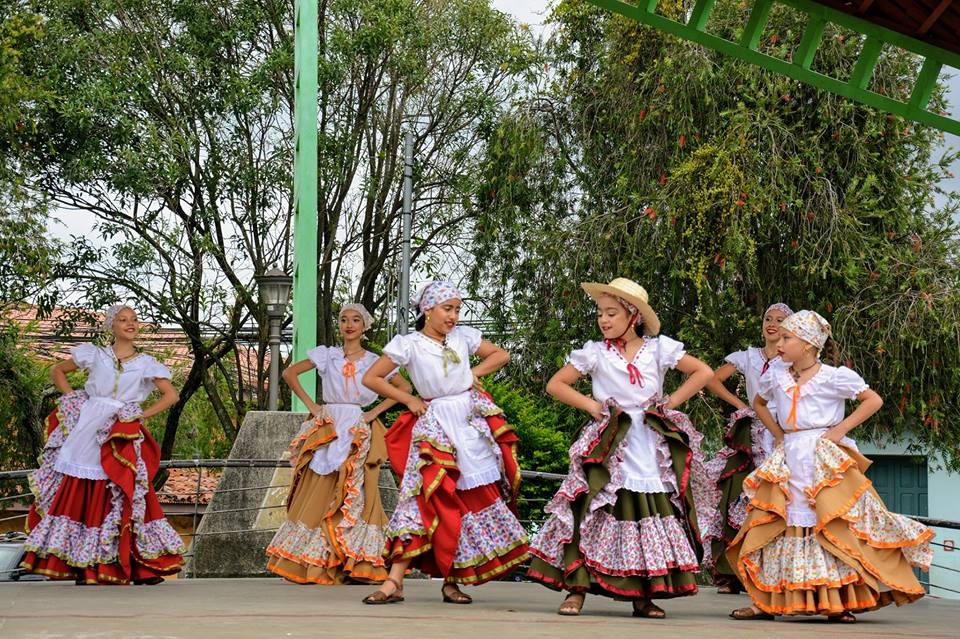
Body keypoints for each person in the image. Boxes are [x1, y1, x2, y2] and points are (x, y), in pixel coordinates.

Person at [527, 278, 717, 618]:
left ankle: (642, 596)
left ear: (634, 316)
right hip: (608, 441)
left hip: (648, 442)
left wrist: (671, 400)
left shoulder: (659, 349)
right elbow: (556, 384)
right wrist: (590, 406)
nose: (603, 320)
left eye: (611, 313)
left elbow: (703, 372)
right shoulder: (595, 352)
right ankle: (576, 590)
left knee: (645, 510)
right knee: (590, 509)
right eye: (600, 313)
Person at [728, 310, 933, 622]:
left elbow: (872, 400)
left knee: (827, 521)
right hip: (788, 456)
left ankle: (836, 601)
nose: (779, 343)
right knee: (778, 521)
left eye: (787, 338)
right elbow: (759, 403)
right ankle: (765, 602)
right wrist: (779, 433)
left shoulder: (833, 377)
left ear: (809, 345)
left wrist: (839, 430)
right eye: (780, 337)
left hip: (822, 457)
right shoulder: (776, 375)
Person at [360, 281, 528, 605]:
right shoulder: (408, 344)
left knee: (464, 500)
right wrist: (407, 399)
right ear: (427, 309)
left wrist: (473, 373)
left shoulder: (463, 337)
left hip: (467, 421)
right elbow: (372, 378)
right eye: (447, 309)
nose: (454, 315)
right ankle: (394, 581)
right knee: (423, 496)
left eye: (457, 309)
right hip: (435, 422)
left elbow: (501, 354)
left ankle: (452, 581)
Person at [21, 305, 185, 584]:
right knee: (82, 489)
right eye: (123, 320)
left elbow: (171, 396)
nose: (130, 324)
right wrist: (73, 398)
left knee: (122, 490)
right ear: (112, 325)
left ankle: (131, 564)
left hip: (120, 429)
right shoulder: (95, 355)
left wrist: (138, 414)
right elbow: (57, 370)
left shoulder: (146, 363)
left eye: (134, 319)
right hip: (87, 425)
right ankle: (85, 565)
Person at [266, 303, 411, 584]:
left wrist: (374, 412)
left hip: (357, 425)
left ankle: (353, 559)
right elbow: (289, 373)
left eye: (356, 320)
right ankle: (316, 559)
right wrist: (313, 406)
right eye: (344, 319)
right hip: (329, 423)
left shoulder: (373, 360)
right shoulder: (328, 356)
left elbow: (404, 390)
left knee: (355, 491)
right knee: (320, 487)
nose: (349, 324)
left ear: (365, 326)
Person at [701, 303, 792, 593]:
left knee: (776, 498)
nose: (772, 324)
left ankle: (773, 573)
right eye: (768, 318)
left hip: (782, 432)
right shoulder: (748, 357)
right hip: (750, 430)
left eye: (780, 320)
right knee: (736, 493)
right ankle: (730, 573)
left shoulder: (790, 359)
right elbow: (711, 379)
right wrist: (741, 404)